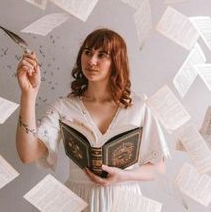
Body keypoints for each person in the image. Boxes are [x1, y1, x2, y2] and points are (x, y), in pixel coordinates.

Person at [16, 28, 170, 212]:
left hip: (125, 203)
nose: (91, 61)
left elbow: (158, 168)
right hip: (77, 201)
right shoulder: (64, 107)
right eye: (87, 52)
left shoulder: (139, 107)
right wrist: (28, 95)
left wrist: (124, 176)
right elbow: (28, 154)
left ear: (116, 61)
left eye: (102, 55)